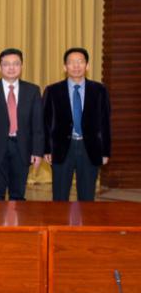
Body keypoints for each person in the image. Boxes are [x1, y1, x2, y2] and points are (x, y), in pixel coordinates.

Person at [43, 47, 111, 201]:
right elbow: (45, 122)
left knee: (87, 198)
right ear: (64, 67)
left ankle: (85, 218)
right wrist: (46, 149)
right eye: (71, 62)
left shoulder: (99, 90)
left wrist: (105, 151)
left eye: (80, 61)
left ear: (87, 65)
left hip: (90, 148)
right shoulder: (52, 91)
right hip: (61, 149)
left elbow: (105, 122)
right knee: (60, 198)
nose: (76, 66)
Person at [0, 49, 43, 201]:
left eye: (16, 64)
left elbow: (37, 124)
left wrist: (37, 151)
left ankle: (17, 218)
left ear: (22, 66)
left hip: (22, 148)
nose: (11, 68)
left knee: (18, 195)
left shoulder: (32, 90)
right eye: (6, 64)